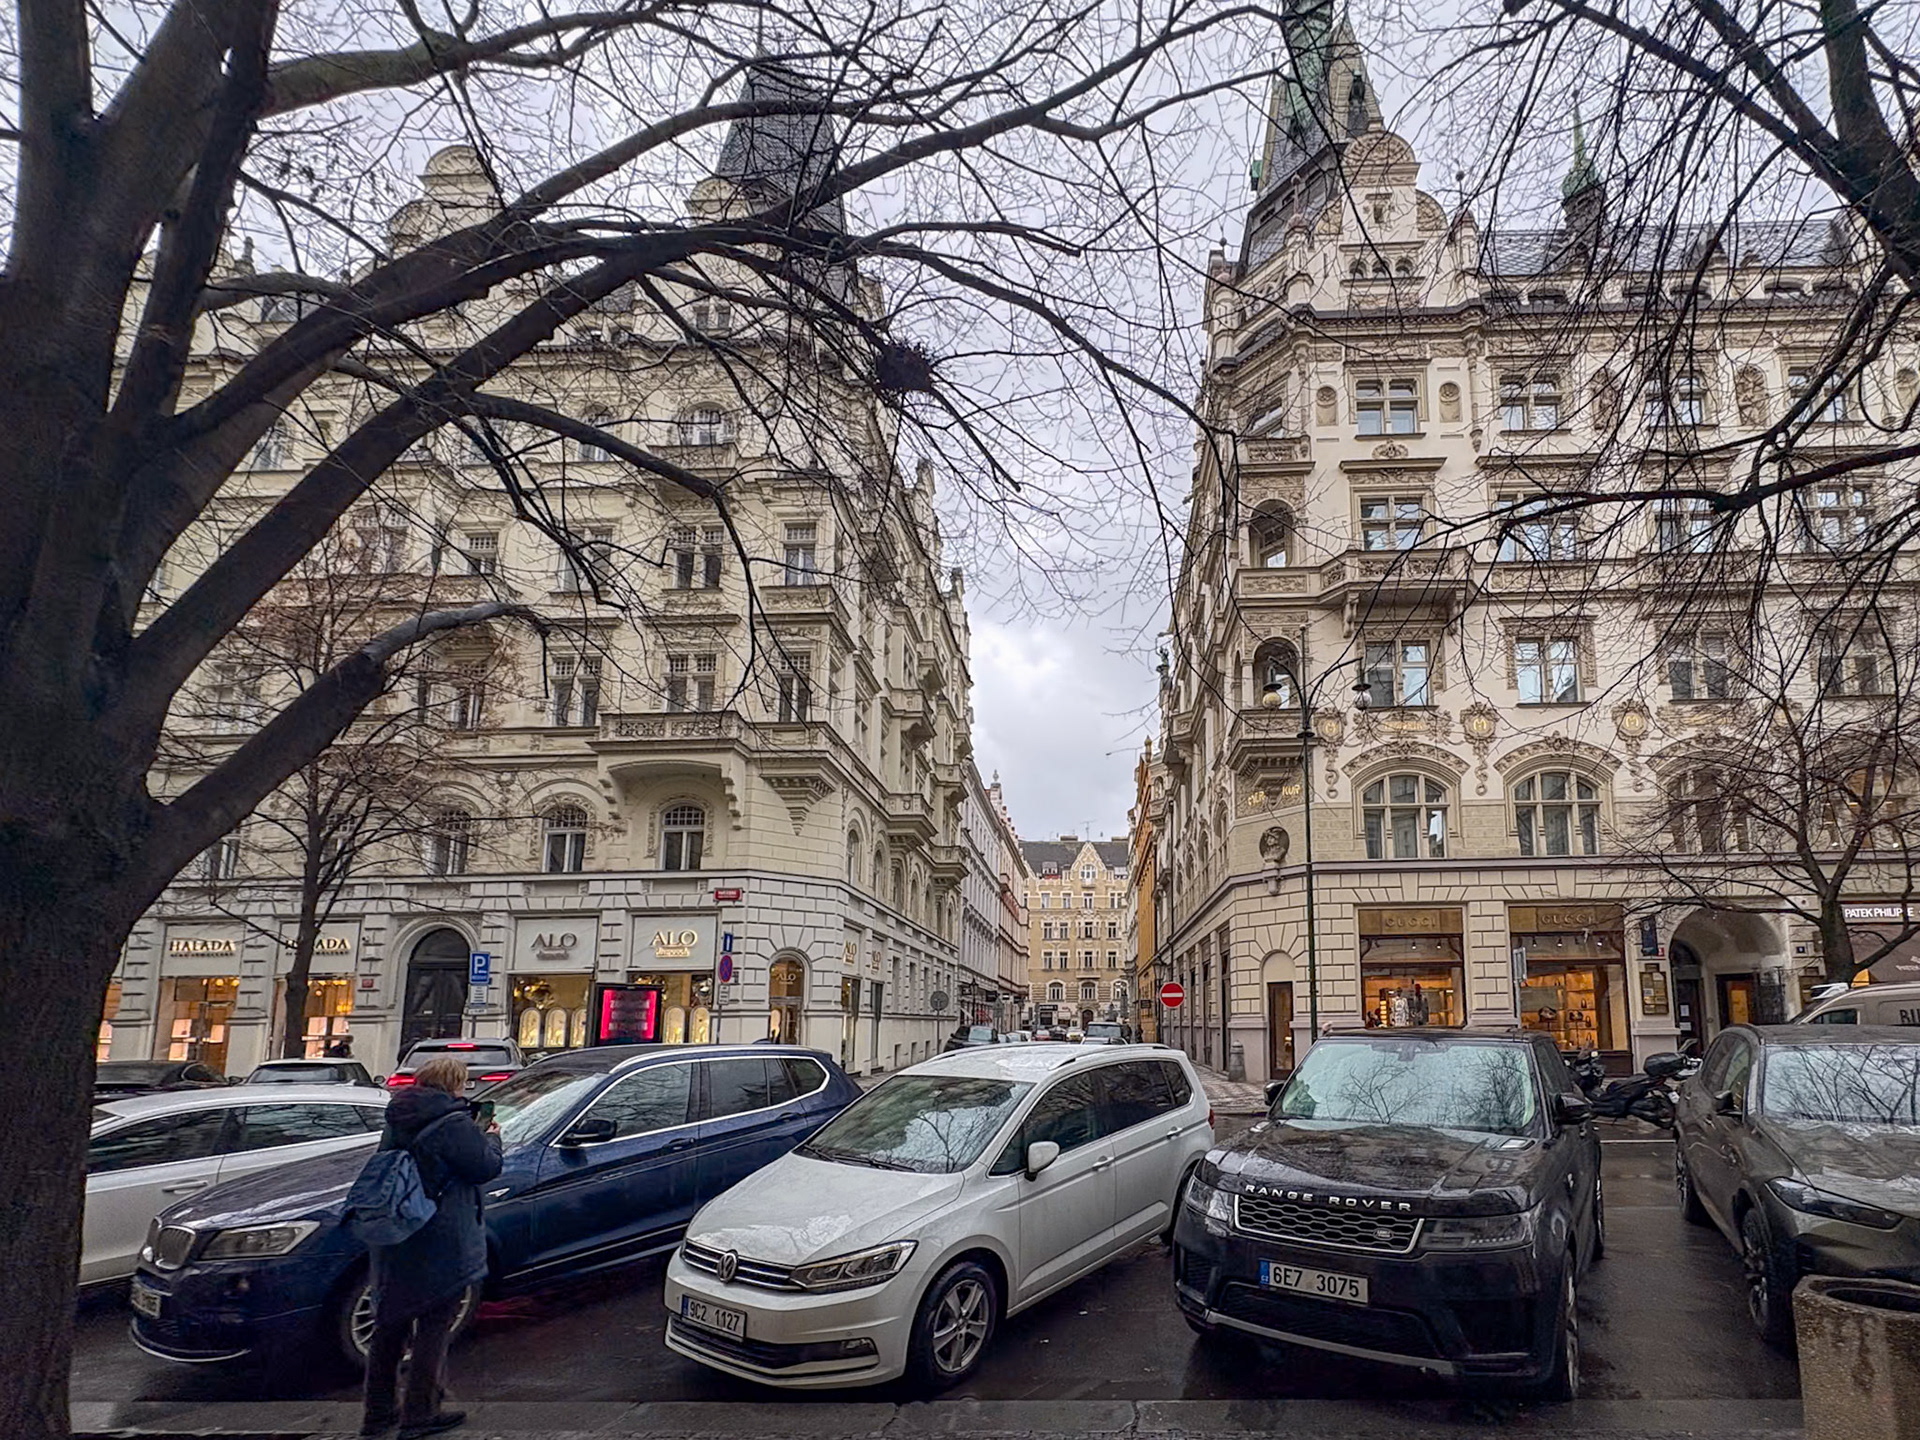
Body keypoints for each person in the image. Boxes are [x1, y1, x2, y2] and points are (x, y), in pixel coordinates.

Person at [361, 1055, 501, 1440]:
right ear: (454, 1084)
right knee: (433, 1328)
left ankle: (377, 1414)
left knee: (389, 1327)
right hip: (439, 1238)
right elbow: (485, 1167)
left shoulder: (397, 1117)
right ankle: (420, 1414)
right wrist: (492, 1137)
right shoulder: (453, 1123)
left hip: (396, 1233)